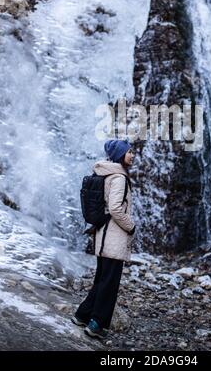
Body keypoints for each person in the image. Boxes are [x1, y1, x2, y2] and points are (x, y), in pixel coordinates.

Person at [71, 138, 136, 338]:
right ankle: (96, 324)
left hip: (104, 236)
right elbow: (116, 208)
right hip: (114, 238)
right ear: (119, 155)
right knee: (109, 284)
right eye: (129, 152)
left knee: (102, 280)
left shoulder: (107, 174)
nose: (132, 155)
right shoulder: (119, 178)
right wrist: (131, 226)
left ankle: (82, 315)